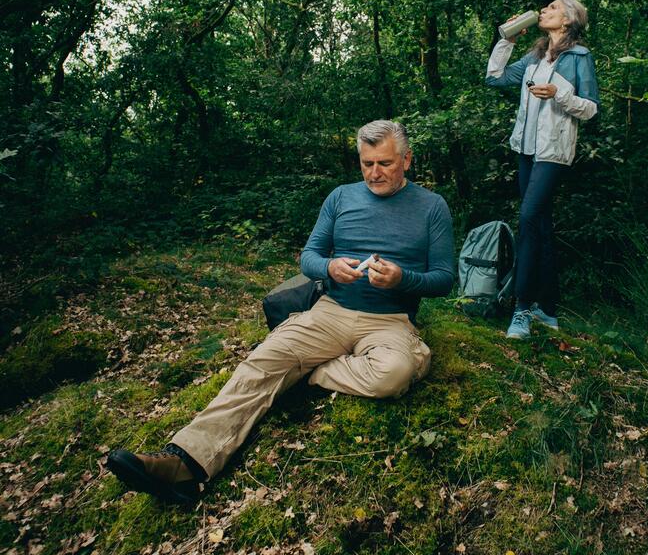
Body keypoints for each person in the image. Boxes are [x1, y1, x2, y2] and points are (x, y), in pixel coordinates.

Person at [107, 120, 455, 503]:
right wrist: (329, 267)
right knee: (262, 361)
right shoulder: (341, 198)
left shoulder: (431, 207)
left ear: (406, 159)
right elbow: (309, 257)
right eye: (366, 163)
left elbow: (444, 280)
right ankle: (183, 464)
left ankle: (308, 373)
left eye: (385, 163)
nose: (374, 173)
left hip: (390, 321)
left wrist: (402, 278)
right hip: (331, 311)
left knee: (395, 374)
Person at [485, 0, 598, 338]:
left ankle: (521, 307)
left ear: (567, 20)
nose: (543, 11)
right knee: (541, 226)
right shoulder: (535, 57)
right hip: (527, 151)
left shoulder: (579, 57)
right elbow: (496, 78)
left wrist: (558, 95)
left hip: (554, 153)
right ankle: (547, 310)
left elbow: (591, 108)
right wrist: (506, 40)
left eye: (551, 8)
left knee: (528, 219)